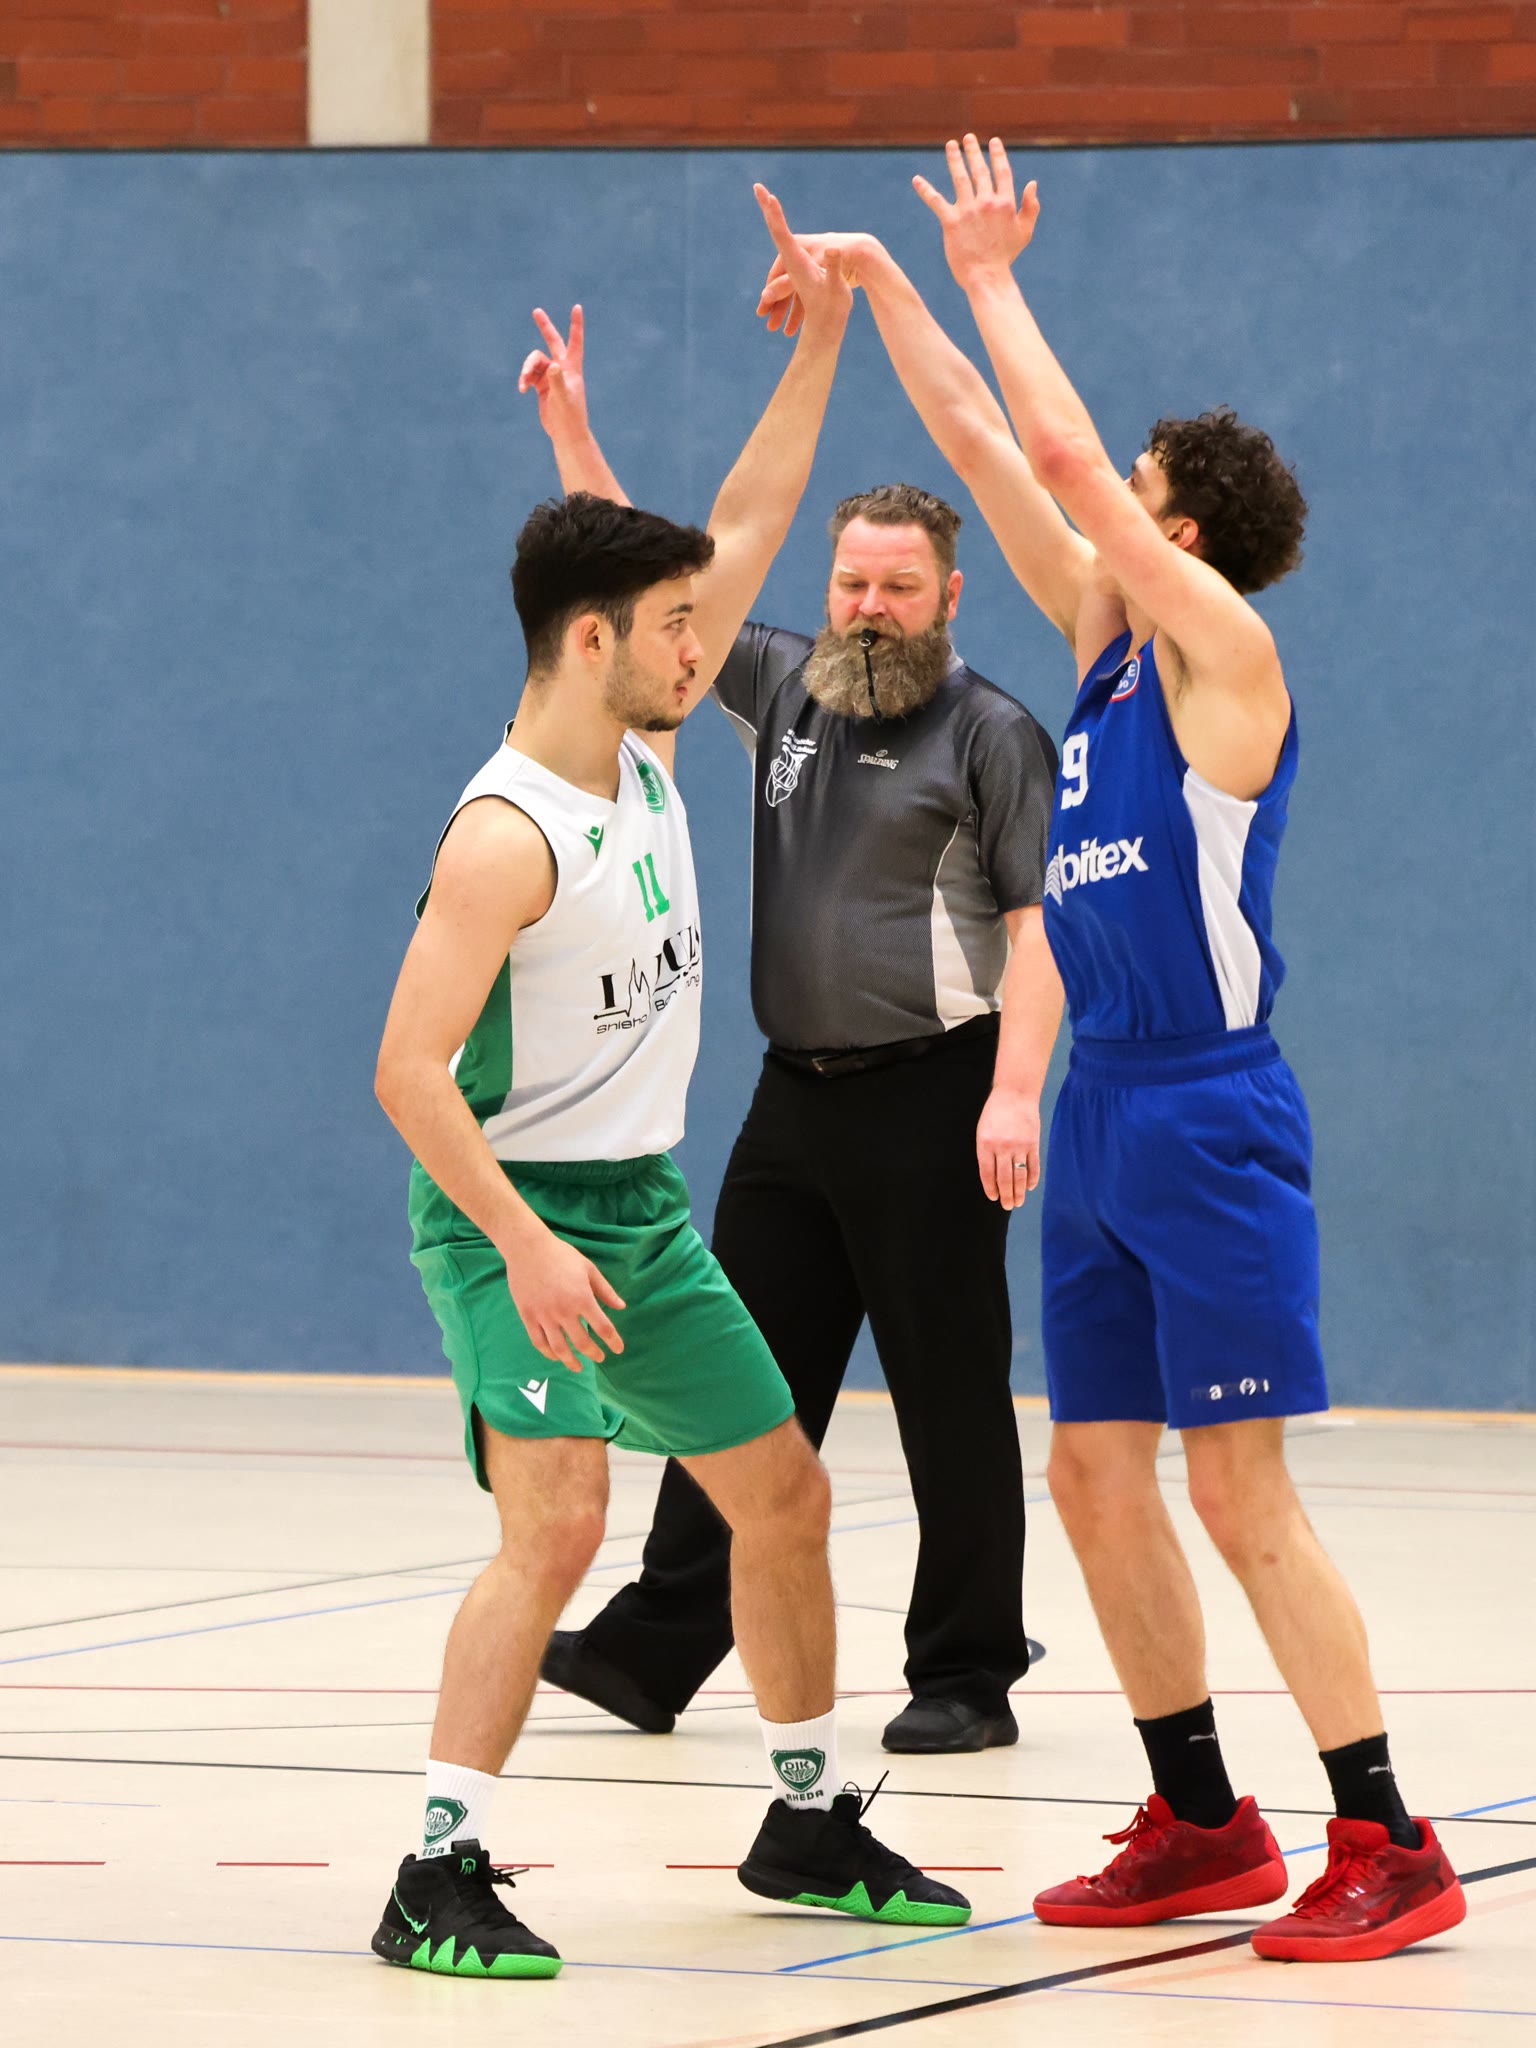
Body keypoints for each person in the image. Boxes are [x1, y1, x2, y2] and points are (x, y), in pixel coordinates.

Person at [757, 136, 1465, 1962]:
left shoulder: (1227, 653)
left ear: (1186, 535)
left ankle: (1389, 1837)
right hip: (1103, 1114)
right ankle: (1203, 1819)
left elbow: (1065, 458)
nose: (1100, 518)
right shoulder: (1105, 656)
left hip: (1215, 1108)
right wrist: (884, 286)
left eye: (1139, 503)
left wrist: (995, 276)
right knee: (1090, 1474)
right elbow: (999, 453)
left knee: (1240, 1491)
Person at [368, 224, 971, 1984]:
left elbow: (746, 510)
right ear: (590, 641)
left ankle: (804, 1818)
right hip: (511, 1212)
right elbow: (406, 1073)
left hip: (633, 1205)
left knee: (783, 1497)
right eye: (675, 629)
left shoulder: (640, 743)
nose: (708, 646)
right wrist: (520, 1247)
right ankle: (433, 1870)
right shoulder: (506, 835)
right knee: (558, 1521)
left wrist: (821, 341)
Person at [519, 208, 1062, 1758]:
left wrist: (1016, 1092)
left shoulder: (993, 735)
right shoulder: (783, 683)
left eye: (900, 587)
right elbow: (664, 598)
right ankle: (656, 1647)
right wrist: (574, 435)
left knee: (951, 1393)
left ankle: (966, 1670)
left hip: (937, 1101)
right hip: (793, 1103)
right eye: (853, 584)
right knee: (739, 1380)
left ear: (949, 595)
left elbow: (1042, 934)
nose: (870, 607)